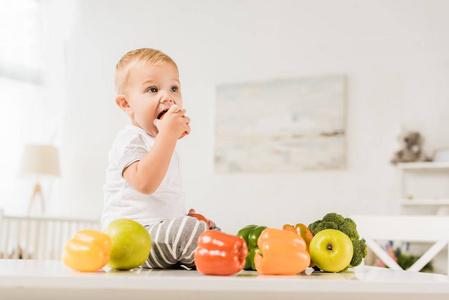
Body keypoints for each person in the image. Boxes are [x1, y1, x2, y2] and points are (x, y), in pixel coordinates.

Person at [102, 48, 217, 269]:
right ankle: (209, 255)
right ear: (127, 104)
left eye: (174, 88)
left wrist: (184, 216)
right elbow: (145, 183)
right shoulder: (129, 139)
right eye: (152, 89)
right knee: (190, 232)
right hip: (131, 239)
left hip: (158, 232)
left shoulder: (161, 144)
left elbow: (163, 200)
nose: (168, 96)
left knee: (207, 228)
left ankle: (222, 253)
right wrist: (168, 135)